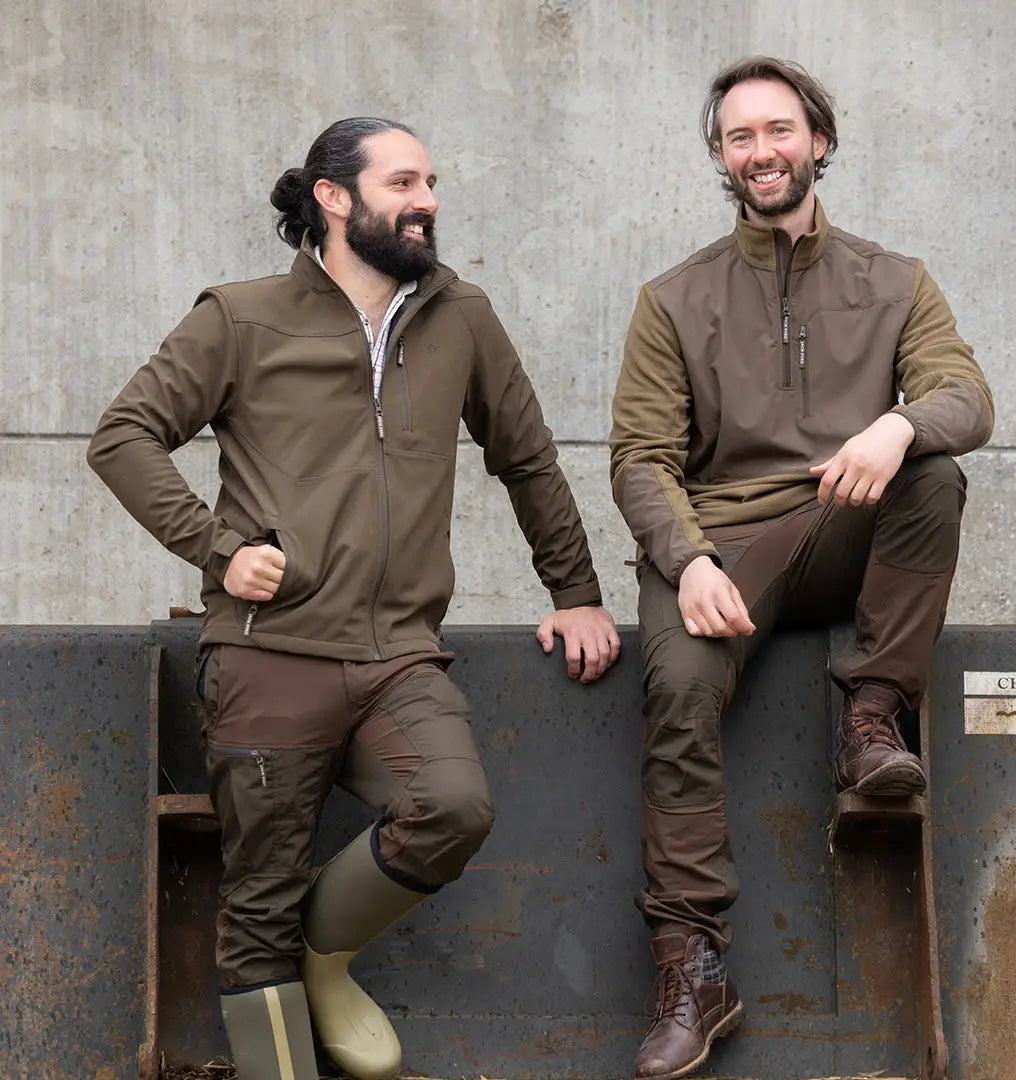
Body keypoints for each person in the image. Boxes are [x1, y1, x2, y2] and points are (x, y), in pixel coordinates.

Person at [87, 117, 620, 1080]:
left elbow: (529, 460)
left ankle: (325, 960)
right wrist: (218, 548)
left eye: (432, 182)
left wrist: (575, 591)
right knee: (257, 906)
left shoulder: (462, 315)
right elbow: (123, 435)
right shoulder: (240, 317)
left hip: (399, 657)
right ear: (334, 198)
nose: (428, 201)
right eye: (405, 181)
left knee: (452, 807)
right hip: (267, 656)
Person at [609, 57, 993, 1080]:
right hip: (722, 551)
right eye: (740, 137)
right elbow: (640, 459)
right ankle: (692, 966)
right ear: (722, 158)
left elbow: (967, 395)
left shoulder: (896, 280)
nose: (762, 151)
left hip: (842, 523)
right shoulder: (673, 298)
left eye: (779, 131)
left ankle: (872, 720)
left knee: (935, 474)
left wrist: (897, 426)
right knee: (678, 693)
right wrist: (686, 561)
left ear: (819, 140)